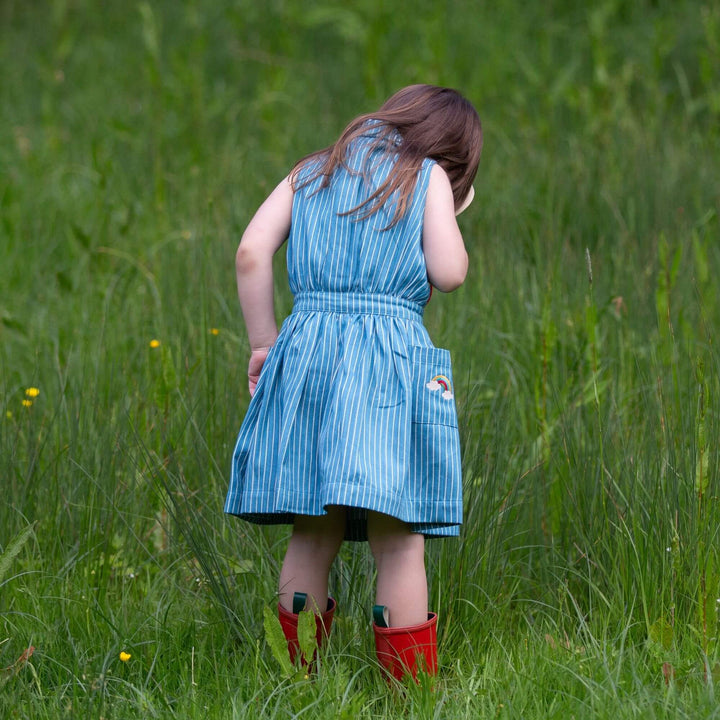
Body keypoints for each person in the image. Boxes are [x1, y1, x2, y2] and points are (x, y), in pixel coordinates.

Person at [225, 84, 482, 681]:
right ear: (451, 154)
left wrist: (264, 344)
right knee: (399, 539)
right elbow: (450, 274)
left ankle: (295, 680)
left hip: (308, 352)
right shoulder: (428, 178)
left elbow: (249, 252)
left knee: (313, 530)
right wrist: (451, 207)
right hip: (392, 364)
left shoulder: (313, 170)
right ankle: (407, 693)